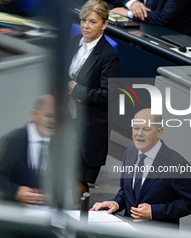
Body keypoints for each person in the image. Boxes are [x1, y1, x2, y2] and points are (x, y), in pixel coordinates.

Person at [91, 108, 191, 238]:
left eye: (146, 129)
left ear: (159, 132)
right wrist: (115, 203)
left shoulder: (177, 164)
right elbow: (126, 191)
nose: (139, 134)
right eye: (136, 128)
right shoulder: (129, 154)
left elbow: (189, 203)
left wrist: (154, 211)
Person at [0, 95, 56, 238]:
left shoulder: (59, 144)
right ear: (34, 114)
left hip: (40, 225)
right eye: (48, 116)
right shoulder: (13, 140)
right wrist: (16, 191)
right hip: (10, 225)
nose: (52, 121)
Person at [68, 0, 120, 197]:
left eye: (92, 22)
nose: (85, 26)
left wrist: (78, 92)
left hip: (89, 126)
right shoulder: (75, 43)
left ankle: (78, 221)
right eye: (83, 20)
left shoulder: (108, 56)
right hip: (68, 117)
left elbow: (110, 94)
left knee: (78, 179)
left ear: (104, 24)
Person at [106, 0, 191, 37]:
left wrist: (130, 13)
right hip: (144, 27)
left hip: (174, 35)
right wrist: (131, 3)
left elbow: (164, 17)